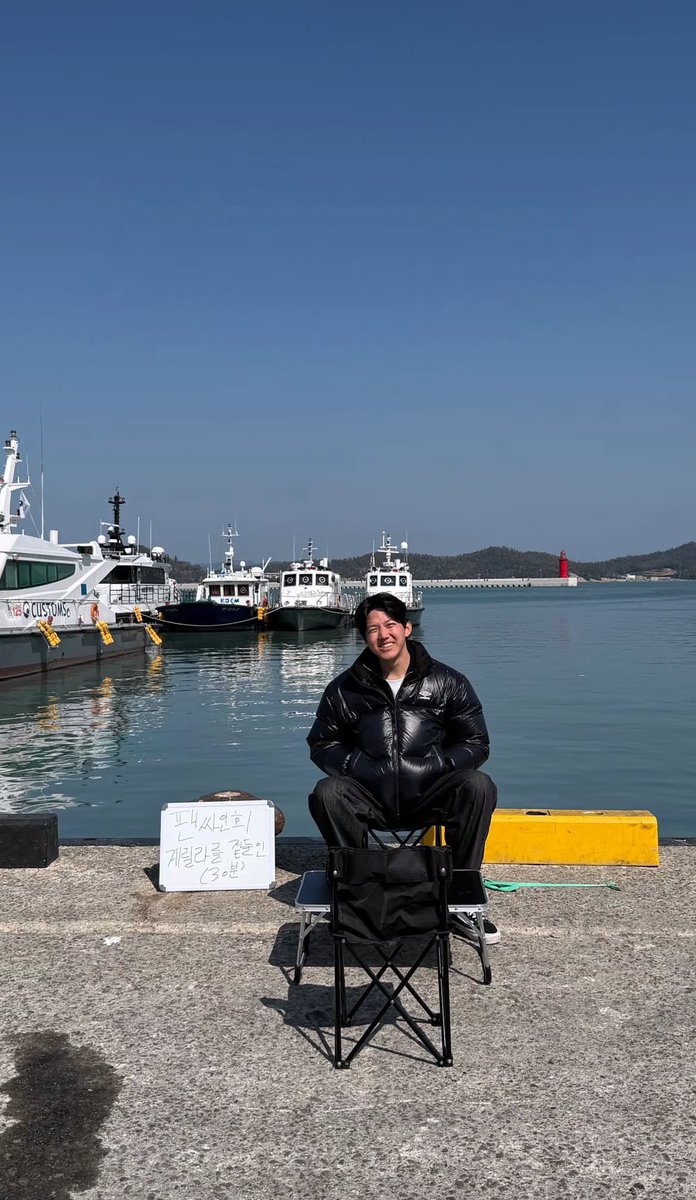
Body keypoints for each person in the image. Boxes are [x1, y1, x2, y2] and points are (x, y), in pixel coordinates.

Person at [307, 592, 500, 943]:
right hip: (370, 796)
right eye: (372, 629)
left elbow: (476, 742)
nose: (384, 635)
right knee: (327, 792)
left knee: (478, 785)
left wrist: (440, 765)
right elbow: (322, 744)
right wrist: (357, 766)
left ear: (407, 627)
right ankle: (359, 891)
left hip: (430, 795)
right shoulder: (343, 690)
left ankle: (459, 894)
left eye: (391, 625)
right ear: (363, 637)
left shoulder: (448, 682)